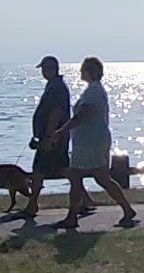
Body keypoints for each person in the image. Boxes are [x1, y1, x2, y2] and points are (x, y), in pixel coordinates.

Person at [52, 56, 136, 230]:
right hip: (89, 141)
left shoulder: (94, 92)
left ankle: (72, 217)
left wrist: (62, 130)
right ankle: (127, 209)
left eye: (83, 69)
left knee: (80, 177)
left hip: (90, 142)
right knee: (101, 177)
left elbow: (83, 115)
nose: (81, 72)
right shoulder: (92, 90)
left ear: (90, 72)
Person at [21, 56, 91, 218]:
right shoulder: (53, 86)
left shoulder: (57, 88)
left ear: (51, 69)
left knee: (39, 170)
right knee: (63, 169)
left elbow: (56, 112)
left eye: (45, 69)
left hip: (53, 137)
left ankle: (32, 205)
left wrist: (48, 136)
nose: (43, 73)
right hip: (55, 136)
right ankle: (85, 199)